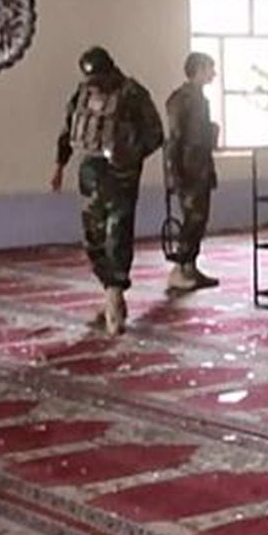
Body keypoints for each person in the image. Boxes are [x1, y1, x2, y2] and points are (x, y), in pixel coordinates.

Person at [51, 47, 164, 334]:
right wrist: (59, 166)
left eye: (100, 77)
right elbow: (68, 128)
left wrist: (130, 154)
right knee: (93, 237)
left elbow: (155, 134)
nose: (96, 84)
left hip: (121, 174)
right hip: (90, 170)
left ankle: (115, 294)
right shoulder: (83, 92)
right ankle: (109, 289)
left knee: (118, 233)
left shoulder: (132, 94)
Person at [164, 52, 220, 291]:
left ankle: (190, 266)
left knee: (199, 218)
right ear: (198, 69)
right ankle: (180, 268)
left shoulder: (199, 99)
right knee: (192, 219)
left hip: (200, 167)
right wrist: (174, 173)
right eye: (209, 68)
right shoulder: (182, 99)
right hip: (188, 169)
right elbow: (175, 138)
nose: (213, 73)